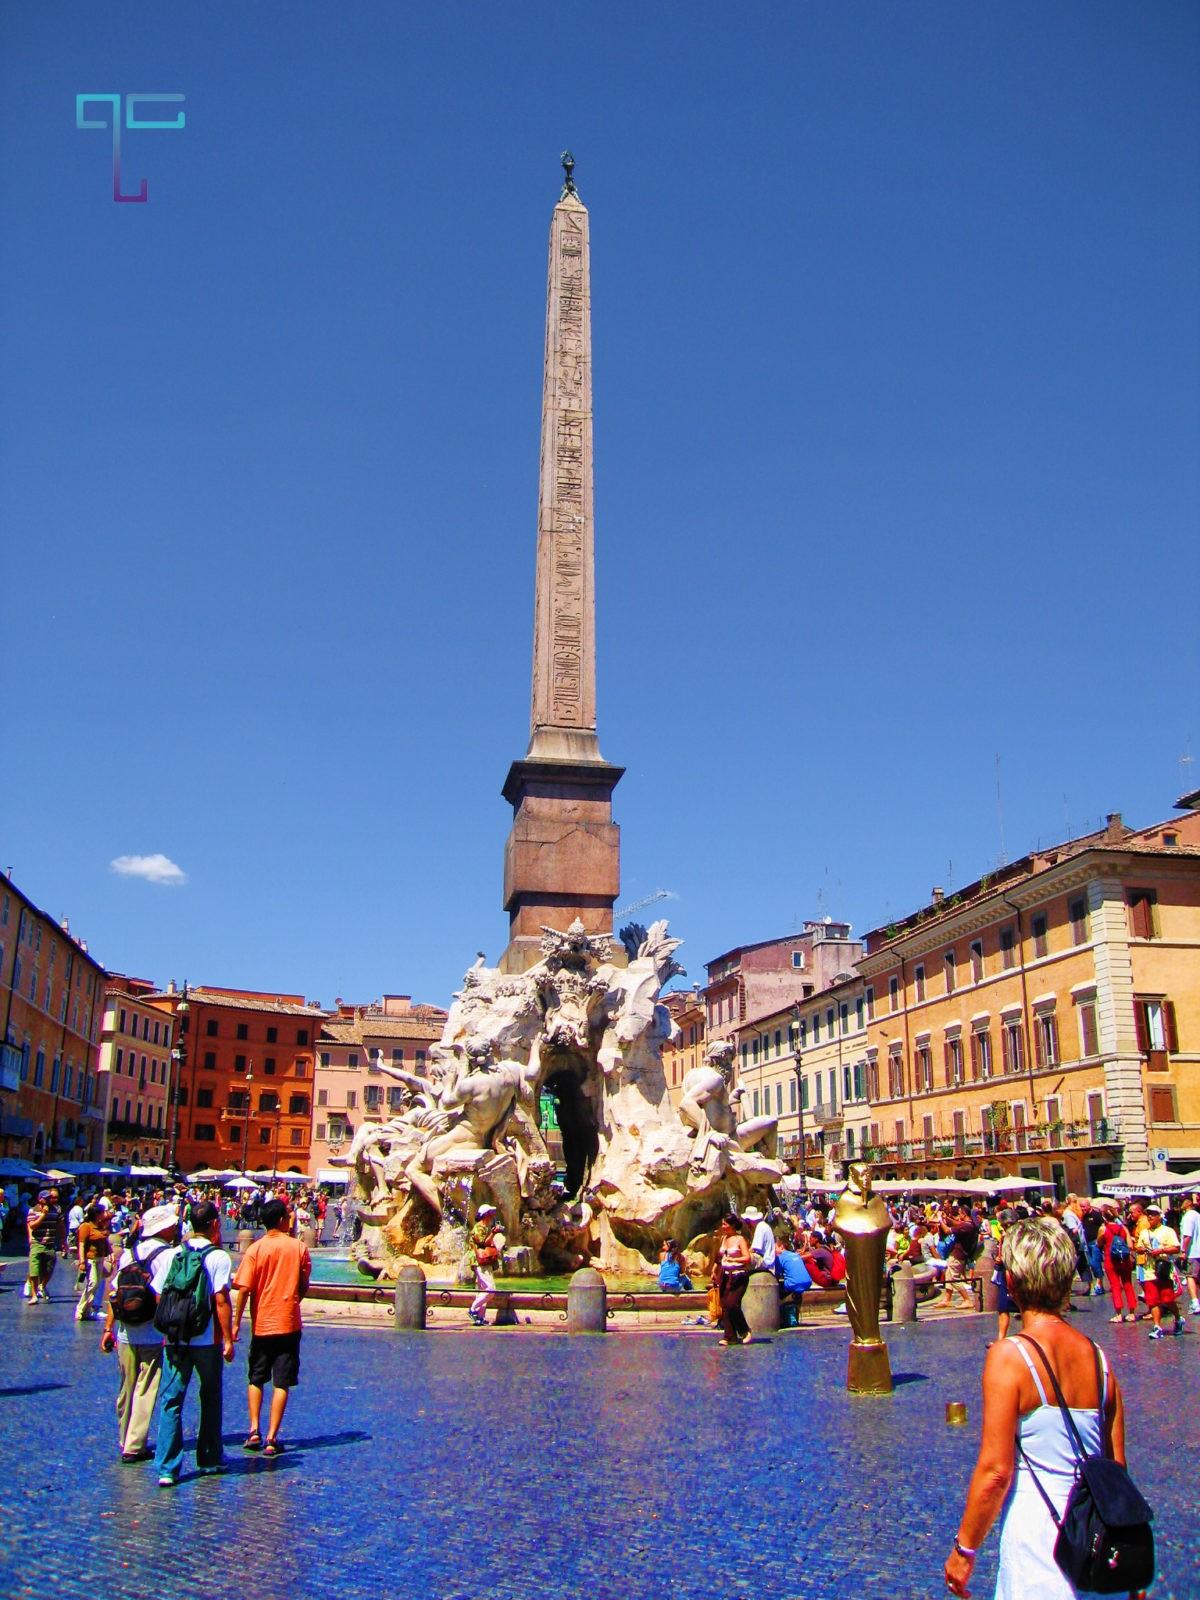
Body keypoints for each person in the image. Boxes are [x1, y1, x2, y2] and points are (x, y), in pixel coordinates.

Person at [943, 1217, 1128, 1600]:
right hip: (1094, 1542)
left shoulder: (1009, 1357)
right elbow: (1117, 1472)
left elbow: (996, 1471)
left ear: (1011, 1284)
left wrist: (964, 1550)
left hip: (1038, 1543)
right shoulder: (1100, 1361)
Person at [153, 1200, 235, 1487]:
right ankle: (210, 1458)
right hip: (206, 1339)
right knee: (210, 1397)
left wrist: (174, 1323)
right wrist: (228, 1338)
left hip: (175, 1339)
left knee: (171, 1400)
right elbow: (221, 1300)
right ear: (214, 1225)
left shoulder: (172, 1254)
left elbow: (159, 1295)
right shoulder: (218, 1258)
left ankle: (167, 1468)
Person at [100, 1203, 179, 1462]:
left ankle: (124, 1437)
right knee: (146, 1388)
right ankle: (134, 1445)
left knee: (126, 1387)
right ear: (165, 1228)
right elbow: (163, 1296)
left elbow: (114, 1293)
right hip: (153, 1333)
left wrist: (108, 1328)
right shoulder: (168, 1256)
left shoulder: (128, 1253)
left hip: (126, 1331)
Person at [231, 1197, 311, 1456]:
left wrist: (235, 1324)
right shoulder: (298, 1247)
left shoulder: (255, 1249)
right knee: (282, 1382)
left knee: (256, 1377)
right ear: (280, 1220)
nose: (290, 1219)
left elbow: (243, 1289)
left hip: (261, 1324)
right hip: (288, 1322)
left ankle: (253, 1430)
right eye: (287, 1216)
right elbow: (303, 1286)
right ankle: (271, 1437)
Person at [1139, 1204, 1181, 1339]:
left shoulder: (1167, 1231)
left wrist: (1161, 1250)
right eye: (1148, 1214)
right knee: (1152, 1301)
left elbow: (1176, 1248)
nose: (1150, 1216)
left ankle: (1178, 1318)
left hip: (1163, 1270)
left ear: (1159, 1216)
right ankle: (1157, 1327)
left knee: (1168, 1299)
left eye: (1153, 1214)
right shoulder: (1145, 1232)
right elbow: (1138, 1246)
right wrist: (1140, 1249)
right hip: (1149, 1271)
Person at [712, 1214, 752, 1346]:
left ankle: (745, 1330)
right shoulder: (724, 1238)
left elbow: (747, 1258)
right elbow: (719, 1258)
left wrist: (734, 1259)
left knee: (732, 1304)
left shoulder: (740, 1239)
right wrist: (714, 1270)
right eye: (722, 1224)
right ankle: (729, 1336)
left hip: (738, 1275)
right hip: (725, 1275)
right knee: (725, 1306)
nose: (723, 1227)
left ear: (733, 1225)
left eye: (725, 1224)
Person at [1098, 1202, 1137, 1324]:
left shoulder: (1103, 1228)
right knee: (1128, 1285)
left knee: (1115, 1286)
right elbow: (1130, 1245)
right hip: (1124, 1260)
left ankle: (1119, 1314)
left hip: (1111, 1260)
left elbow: (1099, 1243)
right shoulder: (1123, 1228)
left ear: (1104, 1217)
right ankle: (1131, 1313)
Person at [466, 1205, 505, 1326]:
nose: (492, 1215)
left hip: (486, 1261)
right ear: (485, 1215)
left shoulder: (485, 1227)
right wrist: (494, 1232)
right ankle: (472, 1309)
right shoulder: (479, 1227)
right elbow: (483, 1243)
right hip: (480, 1261)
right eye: (490, 1213)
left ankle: (480, 1317)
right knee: (490, 1289)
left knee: (483, 1290)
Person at [25, 1188, 64, 1304]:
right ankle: (34, 1294)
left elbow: (61, 1226)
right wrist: (43, 1215)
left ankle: (42, 1286)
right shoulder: (33, 1210)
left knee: (49, 1269)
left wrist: (64, 1241)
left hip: (50, 1244)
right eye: (45, 1198)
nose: (48, 1200)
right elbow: (32, 1226)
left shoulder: (56, 1210)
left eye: (49, 1198)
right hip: (37, 1243)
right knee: (34, 1271)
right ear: (40, 1199)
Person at [75, 1201, 111, 1321]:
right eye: (102, 1213)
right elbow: (81, 1244)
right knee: (93, 1284)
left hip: (100, 1258)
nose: (104, 1215)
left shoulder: (100, 1226)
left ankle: (86, 1311)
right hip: (91, 1259)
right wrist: (81, 1261)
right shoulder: (86, 1226)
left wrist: (109, 1252)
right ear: (97, 1214)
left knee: (96, 1286)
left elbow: (105, 1241)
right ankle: (80, 1310)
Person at [1179, 1193, 1200, 1317]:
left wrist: (1183, 1251)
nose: (1180, 1203)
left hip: (1192, 1252)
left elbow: (1187, 1236)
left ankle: (1194, 1302)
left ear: (1188, 1203)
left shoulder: (1188, 1216)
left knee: (1190, 1276)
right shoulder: (1198, 1215)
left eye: (1182, 1201)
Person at [743, 1206, 776, 1271]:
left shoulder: (760, 1227)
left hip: (765, 1261)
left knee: (744, 1258)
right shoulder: (764, 1225)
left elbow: (754, 1248)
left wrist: (743, 1254)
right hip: (768, 1260)